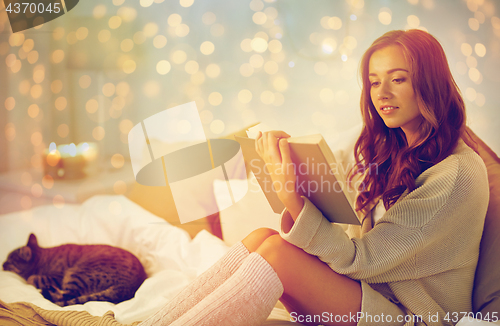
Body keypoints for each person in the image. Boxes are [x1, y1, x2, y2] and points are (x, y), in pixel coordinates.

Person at [138, 29, 489, 326]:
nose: (381, 93)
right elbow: (350, 225)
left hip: (412, 317)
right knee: (263, 236)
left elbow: (360, 260)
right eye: (374, 81)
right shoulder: (395, 152)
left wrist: (290, 193)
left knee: (277, 252)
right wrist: (297, 168)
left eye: (398, 79)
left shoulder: (455, 173)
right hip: (373, 299)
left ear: (429, 82)